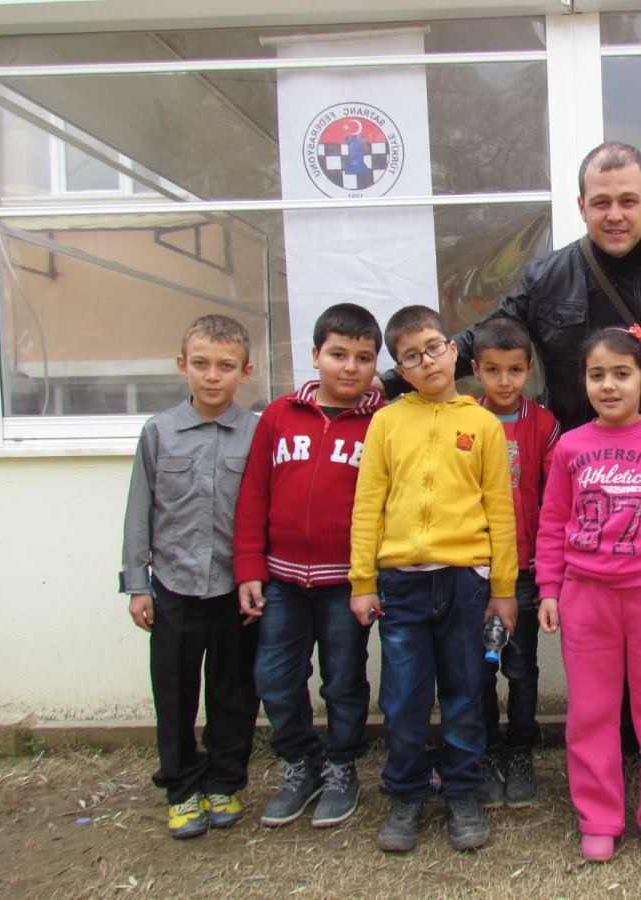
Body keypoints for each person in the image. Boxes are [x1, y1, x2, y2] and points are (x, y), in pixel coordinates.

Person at [380, 140, 641, 432]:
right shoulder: (546, 277)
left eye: (628, 201)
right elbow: (481, 341)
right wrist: (388, 383)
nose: (615, 215)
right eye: (601, 203)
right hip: (578, 463)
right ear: (582, 207)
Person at [536, 324, 641, 864]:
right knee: (591, 713)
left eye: (621, 374)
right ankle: (599, 816)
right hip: (586, 601)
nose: (608, 385)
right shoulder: (570, 446)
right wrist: (549, 589)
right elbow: (552, 523)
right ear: (584, 382)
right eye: (597, 375)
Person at [349, 305, 518, 854]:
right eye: (411, 357)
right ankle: (406, 793)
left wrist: (503, 590)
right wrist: (362, 580)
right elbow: (368, 505)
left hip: (465, 584)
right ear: (399, 368)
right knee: (404, 698)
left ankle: (463, 793)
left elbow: (500, 511)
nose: (427, 362)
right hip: (401, 584)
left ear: (453, 350)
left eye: (434, 348)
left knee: (466, 694)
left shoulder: (482, 424)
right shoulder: (386, 422)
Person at [233, 303, 383, 829]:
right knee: (275, 676)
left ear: (376, 364)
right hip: (281, 578)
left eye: (363, 358)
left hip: (346, 582)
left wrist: (372, 576)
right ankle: (300, 764)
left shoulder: (382, 422)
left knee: (343, 680)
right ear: (315, 354)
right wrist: (249, 567)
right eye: (338, 354)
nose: (350, 367)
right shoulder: (280, 415)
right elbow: (254, 493)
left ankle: (341, 766)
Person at [120, 314, 259, 838]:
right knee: (174, 692)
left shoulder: (257, 433)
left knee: (233, 691)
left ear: (245, 372)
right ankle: (180, 787)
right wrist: (137, 584)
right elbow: (139, 510)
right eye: (201, 364)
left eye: (225, 366)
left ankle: (224, 781)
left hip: (235, 589)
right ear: (182, 366)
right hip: (174, 588)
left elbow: (264, 510)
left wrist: (259, 577)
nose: (212, 376)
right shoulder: (159, 432)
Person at [469, 316, 560, 809]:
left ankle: (520, 749)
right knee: (478, 670)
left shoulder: (544, 425)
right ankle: (486, 751)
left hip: (525, 571)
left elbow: (555, 503)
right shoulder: (464, 421)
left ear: (529, 369)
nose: (504, 381)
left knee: (521, 668)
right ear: (475, 370)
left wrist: (548, 574)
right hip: (474, 570)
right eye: (493, 370)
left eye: (515, 370)